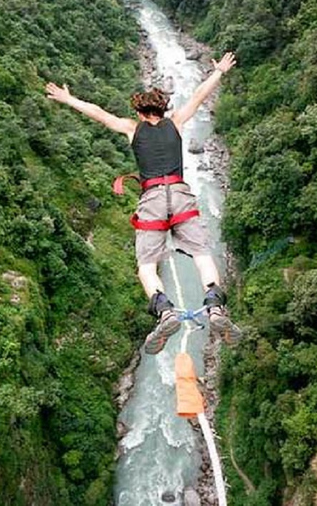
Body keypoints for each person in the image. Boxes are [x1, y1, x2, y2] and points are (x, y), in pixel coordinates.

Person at [46, 52, 241, 354]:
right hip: (180, 196)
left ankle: (165, 312)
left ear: (138, 112)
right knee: (202, 253)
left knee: (147, 265)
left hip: (151, 201)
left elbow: (98, 113)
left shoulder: (131, 128)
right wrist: (218, 71)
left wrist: (69, 99)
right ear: (163, 109)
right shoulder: (175, 123)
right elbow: (200, 96)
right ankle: (215, 307)